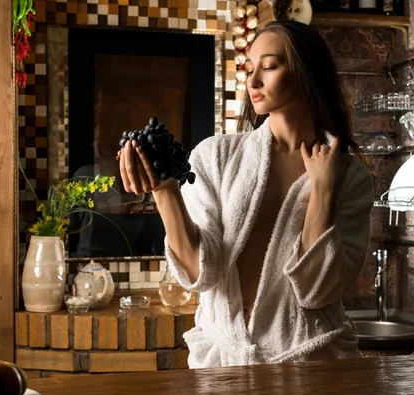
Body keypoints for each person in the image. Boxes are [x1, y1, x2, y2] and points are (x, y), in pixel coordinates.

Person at [118, 18, 374, 368]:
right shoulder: (215, 156)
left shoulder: (350, 176)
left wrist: (323, 189)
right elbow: (201, 274)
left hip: (314, 363)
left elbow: (319, 291)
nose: (252, 81)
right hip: (225, 364)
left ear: (305, 73)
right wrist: (165, 192)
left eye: (268, 67)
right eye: (249, 68)